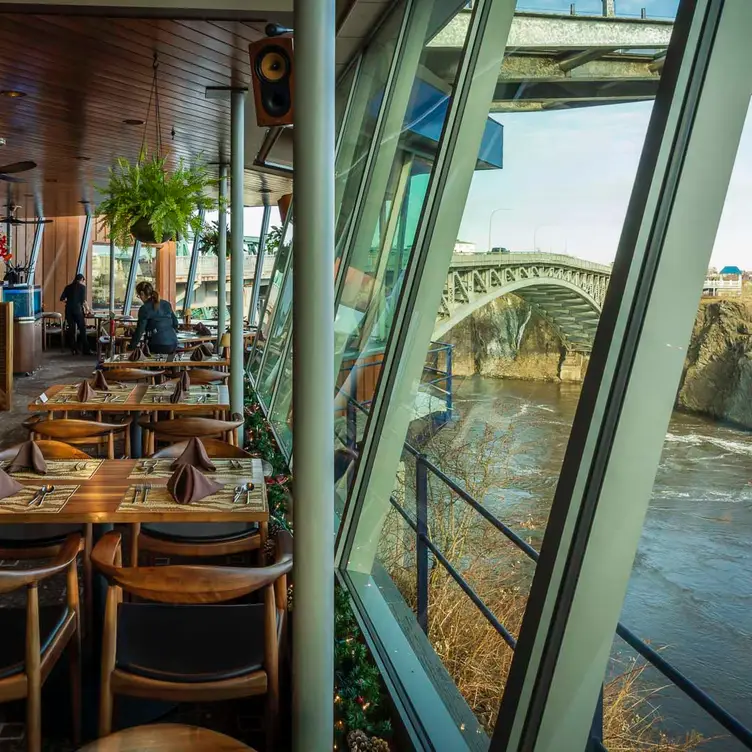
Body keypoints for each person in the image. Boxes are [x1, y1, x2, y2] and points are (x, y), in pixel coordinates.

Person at [130, 281, 179, 354]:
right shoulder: (166, 304)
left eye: (138, 296)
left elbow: (140, 331)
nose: (140, 298)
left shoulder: (144, 308)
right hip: (173, 343)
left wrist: (131, 347)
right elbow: (175, 323)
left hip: (156, 344)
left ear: (142, 294)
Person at [60, 273, 91, 355]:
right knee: (82, 329)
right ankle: (86, 350)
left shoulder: (68, 287)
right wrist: (88, 309)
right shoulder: (82, 288)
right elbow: (83, 301)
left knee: (71, 330)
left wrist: (69, 301)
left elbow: (62, 299)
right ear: (81, 280)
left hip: (68, 311)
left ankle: (74, 349)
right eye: (83, 281)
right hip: (77, 311)